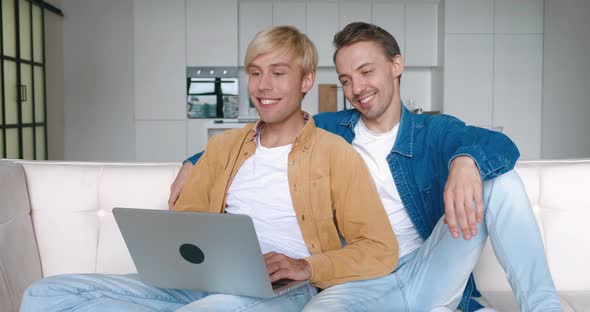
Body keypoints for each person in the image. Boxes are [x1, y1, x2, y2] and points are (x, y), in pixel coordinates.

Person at [172, 22, 562, 312]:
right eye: (345, 79)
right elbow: (271, 132)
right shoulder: (329, 129)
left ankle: (543, 307)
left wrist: (465, 162)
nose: (357, 88)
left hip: (426, 265)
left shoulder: (434, 130)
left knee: (501, 179)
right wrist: (193, 163)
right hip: (360, 278)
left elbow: (500, 146)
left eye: (366, 71)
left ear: (396, 65)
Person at [20, 26, 398, 312]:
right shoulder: (223, 148)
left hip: (281, 288)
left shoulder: (336, 154)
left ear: (306, 80)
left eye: (278, 73)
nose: (263, 86)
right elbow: (187, 220)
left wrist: (305, 267)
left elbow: (380, 249)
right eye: (255, 72)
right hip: (202, 282)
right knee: (45, 293)